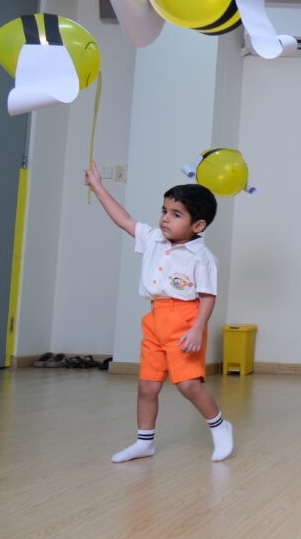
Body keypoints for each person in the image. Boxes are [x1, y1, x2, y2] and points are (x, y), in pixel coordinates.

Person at [85, 162, 233, 462]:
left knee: (188, 385)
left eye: (176, 214)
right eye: (164, 210)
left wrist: (196, 329)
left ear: (198, 225)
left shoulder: (201, 256)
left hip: (185, 320)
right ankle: (145, 442)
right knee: (147, 386)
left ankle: (219, 425)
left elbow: (208, 297)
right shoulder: (153, 239)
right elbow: (123, 219)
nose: (165, 218)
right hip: (155, 319)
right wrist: (98, 187)